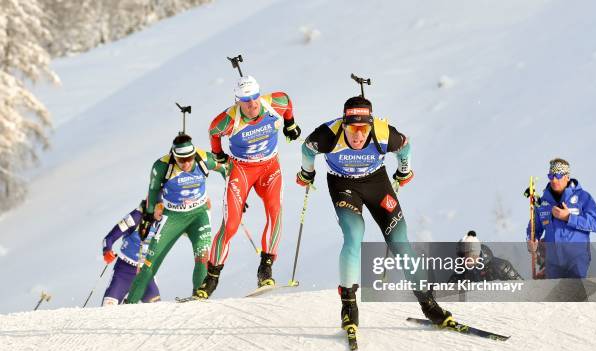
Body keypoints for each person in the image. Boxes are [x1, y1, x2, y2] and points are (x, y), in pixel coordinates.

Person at [296, 95, 454, 334]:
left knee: (401, 242)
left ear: (370, 125)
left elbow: (405, 147)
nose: (358, 135)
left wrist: (404, 171)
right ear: (343, 124)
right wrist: (307, 174)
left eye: (363, 129)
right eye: (352, 128)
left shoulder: (383, 133)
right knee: (353, 236)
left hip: (377, 183)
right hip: (343, 186)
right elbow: (306, 150)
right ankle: (349, 307)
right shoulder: (328, 135)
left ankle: (429, 305)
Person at [194, 75, 301, 299]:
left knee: (275, 214)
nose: (252, 105)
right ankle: (210, 279)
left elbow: (288, 102)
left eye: (254, 98)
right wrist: (218, 153)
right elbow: (214, 131)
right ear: (237, 101)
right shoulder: (227, 121)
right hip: (242, 170)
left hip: (270, 168)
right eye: (246, 101)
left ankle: (265, 270)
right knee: (231, 225)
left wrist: (290, 124)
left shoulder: (274, 102)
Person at [125, 135, 225, 303]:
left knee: (202, 256)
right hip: (172, 216)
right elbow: (153, 190)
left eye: (189, 159)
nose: (186, 163)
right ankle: (130, 304)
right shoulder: (162, 166)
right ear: (174, 156)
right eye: (181, 160)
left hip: (198, 214)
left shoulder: (203, 158)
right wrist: (149, 214)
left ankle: (199, 298)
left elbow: (225, 169)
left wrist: (234, 192)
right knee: (150, 263)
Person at [527, 158, 596, 279]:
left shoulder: (583, 197)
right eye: (551, 176)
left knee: (575, 295)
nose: (554, 180)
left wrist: (569, 217)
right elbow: (534, 228)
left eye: (558, 175)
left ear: (567, 177)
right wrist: (531, 240)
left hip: (576, 260)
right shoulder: (542, 203)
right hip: (553, 263)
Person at [101, 201, 164, 305]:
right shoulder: (135, 217)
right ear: (152, 205)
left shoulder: (167, 219)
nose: (163, 210)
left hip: (145, 273)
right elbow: (109, 238)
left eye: (165, 206)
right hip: (124, 272)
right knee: (107, 311)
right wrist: (107, 251)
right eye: (160, 206)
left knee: (156, 311)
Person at [448, 230, 522, 284]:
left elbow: (523, 289)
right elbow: (446, 294)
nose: (465, 258)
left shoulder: (500, 266)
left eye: (468, 253)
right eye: (462, 255)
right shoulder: (461, 272)